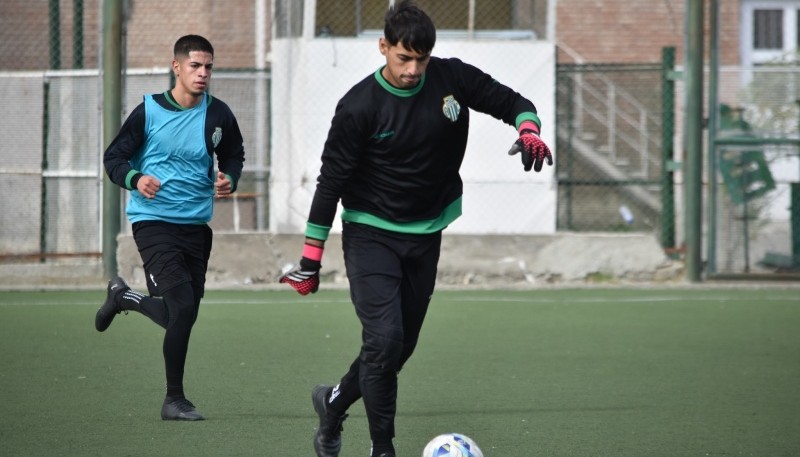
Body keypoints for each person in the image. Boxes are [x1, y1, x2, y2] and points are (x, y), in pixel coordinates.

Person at [278, 1, 553, 456]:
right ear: (383, 47)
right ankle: (382, 448)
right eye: (404, 58)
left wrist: (528, 130)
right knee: (384, 340)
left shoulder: (450, 78)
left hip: (426, 233)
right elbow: (331, 184)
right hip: (371, 232)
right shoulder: (358, 106)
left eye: (421, 59)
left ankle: (333, 402)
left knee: (397, 348)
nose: (412, 69)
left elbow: (514, 103)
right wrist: (310, 259)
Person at [96, 34, 245, 421]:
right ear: (176, 67)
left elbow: (233, 152)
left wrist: (230, 176)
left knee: (183, 314)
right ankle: (174, 400)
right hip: (153, 222)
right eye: (195, 66)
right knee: (180, 308)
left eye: (209, 66)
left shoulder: (219, 114)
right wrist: (134, 179)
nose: (203, 73)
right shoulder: (147, 111)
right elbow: (114, 158)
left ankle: (123, 299)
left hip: (196, 226)